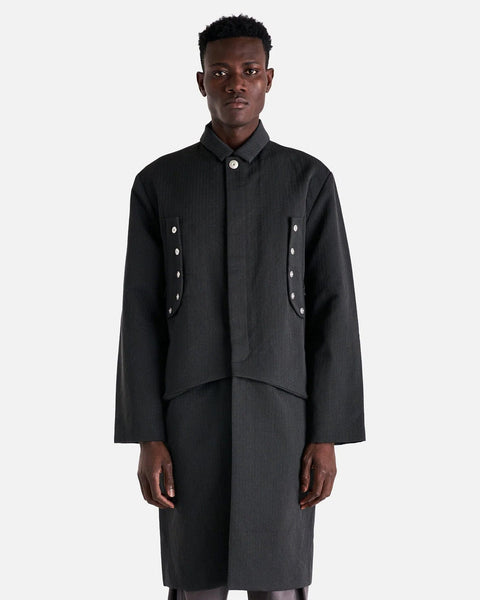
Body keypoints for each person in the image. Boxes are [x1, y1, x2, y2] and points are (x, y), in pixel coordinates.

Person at [114, 13, 366, 600]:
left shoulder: (308, 180)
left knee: (279, 582)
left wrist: (326, 435)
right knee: (195, 581)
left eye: (250, 71)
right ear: (200, 81)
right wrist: (148, 436)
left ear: (269, 79)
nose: (236, 83)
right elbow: (139, 317)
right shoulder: (159, 183)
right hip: (188, 420)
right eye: (221, 72)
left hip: (283, 421)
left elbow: (335, 311)